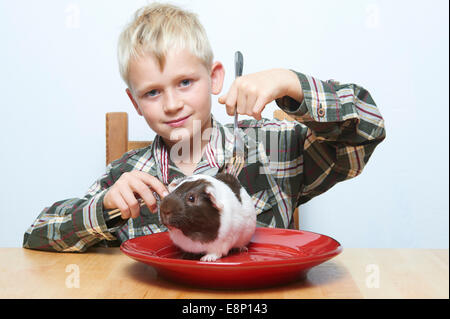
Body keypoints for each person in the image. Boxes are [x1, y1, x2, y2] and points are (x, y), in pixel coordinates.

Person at [23, 3, 385, 252]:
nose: (172, 104)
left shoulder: (271, 150)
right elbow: (37, 235)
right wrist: (104, 207)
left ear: (214, 78)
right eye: (152, 92)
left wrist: (291, 84)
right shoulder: (127, 176)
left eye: (184, 82)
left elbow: (366, 129)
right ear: (134, 103)